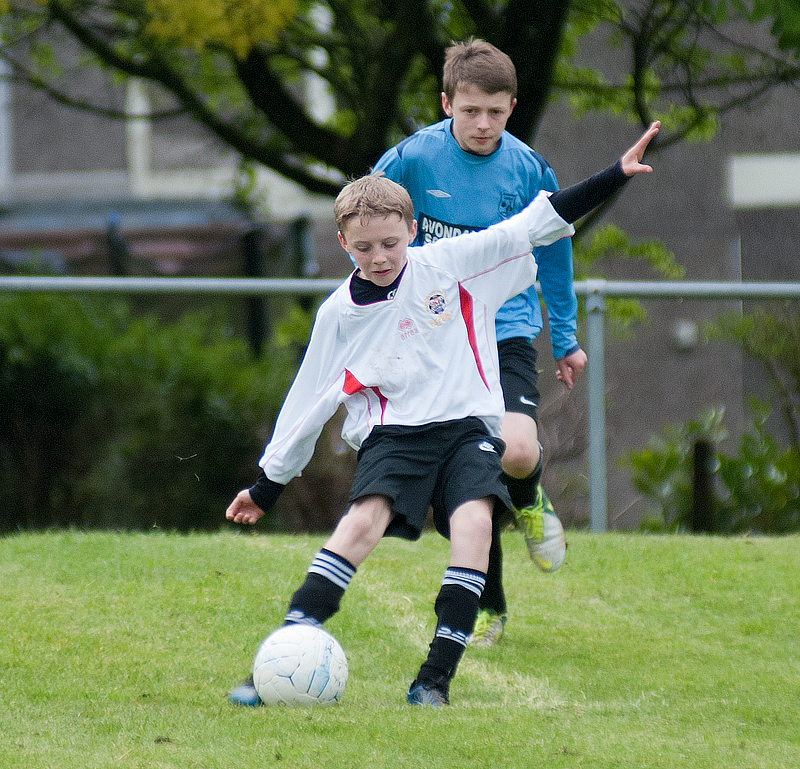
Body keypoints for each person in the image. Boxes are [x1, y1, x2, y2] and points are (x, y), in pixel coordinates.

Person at [226, 121, 659, 708]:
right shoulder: (337, 317)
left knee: (475, 525)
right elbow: (305, 405)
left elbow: (535, 222)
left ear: (411, 230)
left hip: (464, 431)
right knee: (362, 522)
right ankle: (281, 658)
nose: (380, 257)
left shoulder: (448, 264)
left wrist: (614, 174)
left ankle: (434, 680)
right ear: (343, 244)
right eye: (364, 247)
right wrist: (267, 485)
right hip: (393, 436)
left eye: (390, 243)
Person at [372, 39, 587, 647]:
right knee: (466, 473)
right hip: (436, 334)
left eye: (495, 112)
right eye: (470, 111)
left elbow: (555, 251)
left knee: (515, 452)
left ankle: (530, 496)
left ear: (512, 107)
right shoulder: (410, 161)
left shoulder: (528, 171)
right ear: (447, 104)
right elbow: (367, 227)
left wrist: (566, 337)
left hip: (506, 328)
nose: (483, 124)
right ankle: (489, 608)